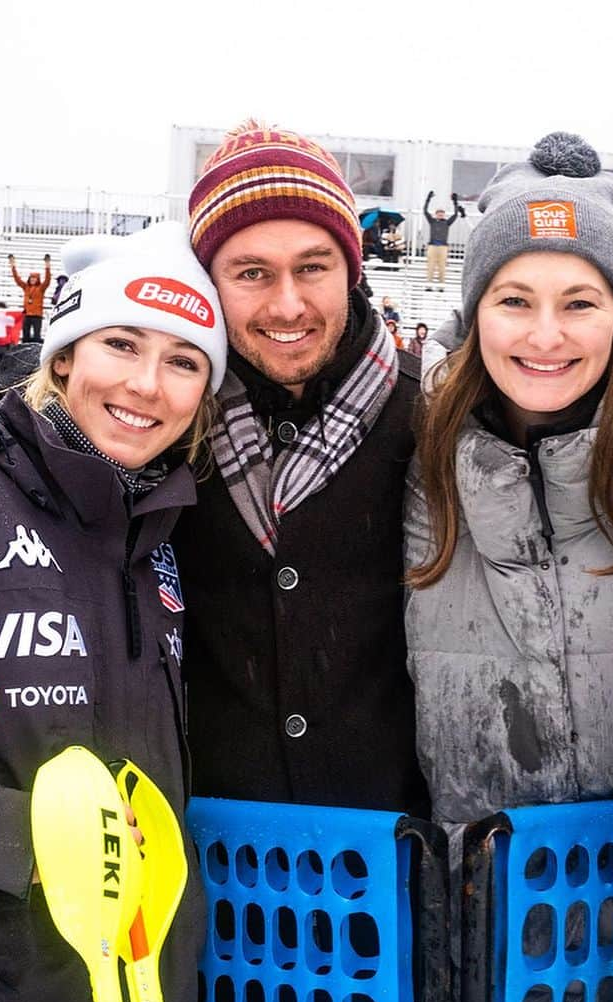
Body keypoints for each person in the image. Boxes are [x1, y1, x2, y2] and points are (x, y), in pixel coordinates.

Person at [0, 220, 226, 1002]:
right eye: (121, 344)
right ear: (63, 357)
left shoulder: (166, 531)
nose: (147, 385)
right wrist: (26, 848)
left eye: (183, 361)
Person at [404, 131, 613, 832]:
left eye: (580, 303)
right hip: (473, 903)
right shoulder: (412, 453)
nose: (546, 336)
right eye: (514, 301)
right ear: (474, 313)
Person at [176, 119, 428, 813]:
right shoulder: (167, 423)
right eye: (252, 273)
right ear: (209, 283)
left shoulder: (431, 417)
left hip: (388, 854)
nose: (287, 304)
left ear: (353, 270)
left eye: (312, 267)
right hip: (209, 851)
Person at [423, 190, 462, 288]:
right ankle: (429, 285)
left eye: (442, 213)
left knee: (442, 267)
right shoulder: (432, 221)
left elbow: (455, 215)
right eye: (439, 213)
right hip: (432, 246)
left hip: (443, 247)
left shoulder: (446, 223)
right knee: (430, 267)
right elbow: (425, 211)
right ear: (436, 214)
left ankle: (441, 286)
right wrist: (428, 199)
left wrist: (455, 202)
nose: (440, 214)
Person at [9, 253, 51, 343]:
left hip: (37, 315)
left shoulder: (41, 288)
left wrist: (47, 265)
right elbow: (17, 279)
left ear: (37, 279)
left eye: (34, 278)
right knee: (25, 336)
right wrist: (13, 265)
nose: (32, 280)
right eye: (31, 278)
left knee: (36, 336)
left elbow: (47, 279)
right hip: (26, 315)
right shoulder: (26, 287)